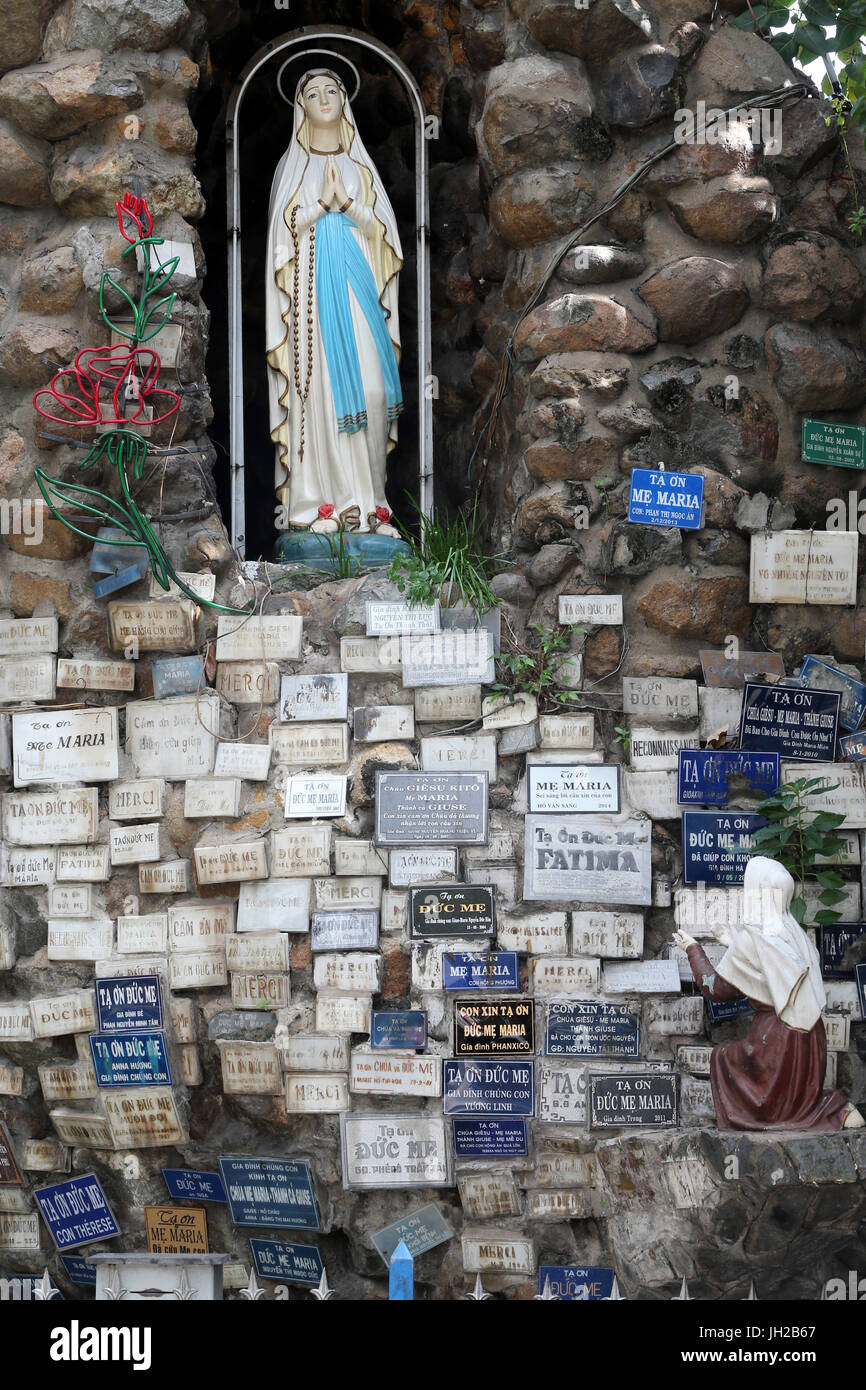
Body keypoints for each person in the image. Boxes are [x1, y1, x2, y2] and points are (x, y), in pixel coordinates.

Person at [266, 68, 403, 537]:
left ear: (345, 99)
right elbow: (278, 244)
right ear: (299, 105)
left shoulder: (360, 166)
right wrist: (320, 207)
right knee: (320, 394)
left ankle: (373, 504)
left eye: (332, 90)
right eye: (312, 92)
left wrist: (345, 204)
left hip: (358, 286)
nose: (323, 98)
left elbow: (387, 237)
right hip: (312, 301)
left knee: (372, 390)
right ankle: (328, 503)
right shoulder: (292, 167)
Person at [673, 856, 864, 1132]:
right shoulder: (796, 933)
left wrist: (693, 949)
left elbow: (714, 989)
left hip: (776, 1041)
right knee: (800, 1097)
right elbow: (770, 968)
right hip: (810, 1036)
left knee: (723, 1056)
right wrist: (731, 942)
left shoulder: (753, 937)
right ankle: (834, 1109)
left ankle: (766, 1117)